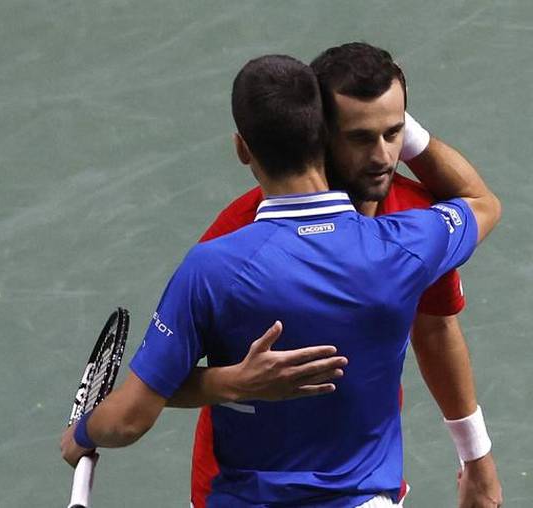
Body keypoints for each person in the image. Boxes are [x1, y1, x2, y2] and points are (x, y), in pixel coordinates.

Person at [60, 54, 500, 507]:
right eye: (363, 136)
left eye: (393, 133)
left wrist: (83, 430)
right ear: (322, 136)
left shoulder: (212, 266)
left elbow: (133, 414)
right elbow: (481, 202)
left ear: (243, 148)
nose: (384, 154)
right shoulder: (408, 242)